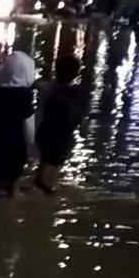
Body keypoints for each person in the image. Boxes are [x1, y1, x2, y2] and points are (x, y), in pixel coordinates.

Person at [0, 50, 37, 197]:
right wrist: (30, 141)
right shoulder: (24, 95)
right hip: (16, 141)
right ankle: (11, 198)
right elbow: (28, 120)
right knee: (13, 178)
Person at [33, 54, 86, 193]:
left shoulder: (48, 88)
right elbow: (79, 115)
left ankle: (41, 181)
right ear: (75, 74)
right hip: (63, 135)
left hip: (45, 131)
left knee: (45, 158)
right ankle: (48, 190)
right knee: (55, 164)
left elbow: (35, 85)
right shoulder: (76, 94)